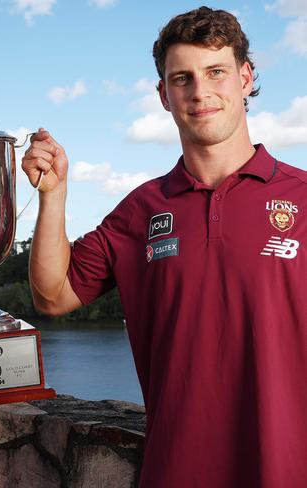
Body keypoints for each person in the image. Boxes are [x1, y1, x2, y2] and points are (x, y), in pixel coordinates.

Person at [22, 6, 307, 488]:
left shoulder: (302, 195)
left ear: (244, 77)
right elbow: (53, 295)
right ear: (163, 94)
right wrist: (53, 195)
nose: (200, 92)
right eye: (182, 78)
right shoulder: (143, 209)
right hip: (176, 470)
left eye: (216, 72)